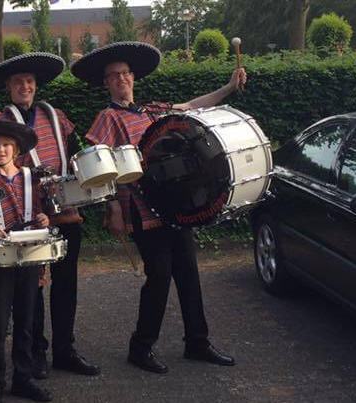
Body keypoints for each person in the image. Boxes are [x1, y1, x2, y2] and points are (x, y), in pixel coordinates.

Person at [72, 41, 247, 374]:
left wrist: (228, 87)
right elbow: (101, 168)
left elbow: (194, 105)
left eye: (124, 74)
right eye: (113, 76)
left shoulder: (154, 111)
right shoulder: (107, 119)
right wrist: (114, 209)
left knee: (188, 273)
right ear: (106, 83)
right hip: (140, 208)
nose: (120, 79)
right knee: (160, 277)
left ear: (133, 78)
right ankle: (140, 347)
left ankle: (197, 341)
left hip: (176, 206)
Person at [0, 52, 101, 380]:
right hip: (25, 218)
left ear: (36, 85)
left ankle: (65, 349)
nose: (25, 86)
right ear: (8, 87)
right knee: (32, 290)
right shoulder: (2, 122)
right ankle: (35, 353)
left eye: (30, 81)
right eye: (18, 82)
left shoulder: (55, 115)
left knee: (66, 286)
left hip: (63, 213)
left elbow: (72, 154)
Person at [0, 121, 53, 403]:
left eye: (6, 145)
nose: (1, 150)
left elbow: (41, 214)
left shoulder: (31, 178)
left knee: (26, 322)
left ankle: (23, 378)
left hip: (29, 258)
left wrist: (44, 219)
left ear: (16, 149)